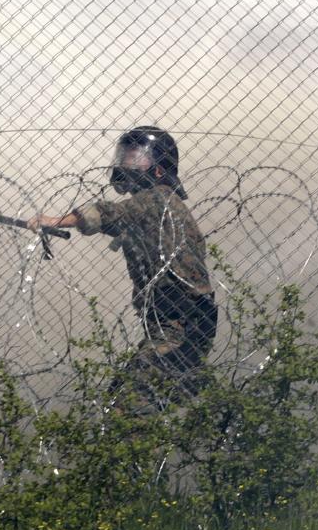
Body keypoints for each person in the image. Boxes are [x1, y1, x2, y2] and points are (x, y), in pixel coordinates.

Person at [29, 126, 217, 400]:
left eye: (136, 157)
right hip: (178, 318)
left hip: (180, 319)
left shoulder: (158, 198)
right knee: (158, 394)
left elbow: (108, 214)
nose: (127, 163)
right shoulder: (155, 208)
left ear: (159, 165)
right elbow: (125, 221)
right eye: (125, 155)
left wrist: (55, 221)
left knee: (128, 402)